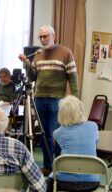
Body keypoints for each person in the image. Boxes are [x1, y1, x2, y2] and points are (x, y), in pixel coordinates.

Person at [18, 25, 79, 176]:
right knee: (44, 134)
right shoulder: (38, 54)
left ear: (54, 36)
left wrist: (75, 99)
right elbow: (32, 77)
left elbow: (72, 77)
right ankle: (47, 166)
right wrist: (26, 63)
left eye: (46, 36)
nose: (43, 39)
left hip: (57, 99)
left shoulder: (66, 53)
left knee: (56, 133)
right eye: (41, 37)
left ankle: (59, 165)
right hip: (39, 98)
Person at [44, 95, 99, 192]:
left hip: (64, 183)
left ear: (61, 113)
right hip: (91, 182)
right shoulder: (93, 126)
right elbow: (95, 143)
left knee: (48, 183)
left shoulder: (57, 133)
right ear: (81, 110)